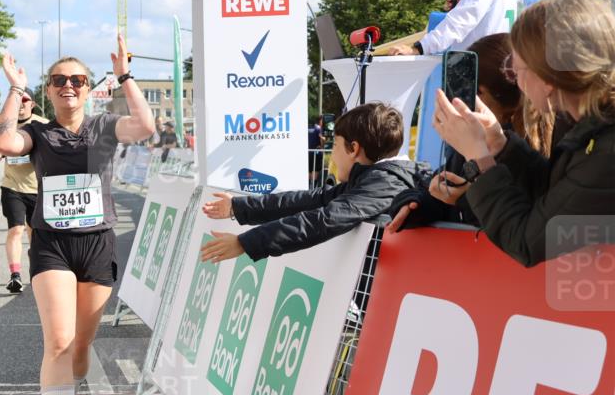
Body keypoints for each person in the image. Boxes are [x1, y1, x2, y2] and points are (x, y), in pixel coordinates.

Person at [0, 35, 156, 395]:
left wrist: (125, 75)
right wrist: (13, 88)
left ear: (88, 88)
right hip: (52, 245)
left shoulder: (104, 126)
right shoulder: (39, 133)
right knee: (59, 340)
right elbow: (5, 144)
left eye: (78, 79)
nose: (69, 85)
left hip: (97, 243)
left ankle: (70, 389)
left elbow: (145, 127)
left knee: (82, 345)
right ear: (48, 90)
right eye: (59, 80)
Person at [427, 0, 615, 266]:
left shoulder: (607, 151)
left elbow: (527, 241)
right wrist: (500, 144)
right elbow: (555, 197)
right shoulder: (587, 125)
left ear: (547, 78)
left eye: (518, 70)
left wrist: (481, 159)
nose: (517, 82)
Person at [200, 103, 430, 262]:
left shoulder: (385, 182)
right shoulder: (376, 178)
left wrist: (245, 243)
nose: (332, 154)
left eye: (335, 146)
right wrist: (240, 207)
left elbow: (324, 220)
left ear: (354, 149)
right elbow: (310, 200)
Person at [387, 32, 527, 230]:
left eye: (470, 91)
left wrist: (467, 199)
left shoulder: (534, 153)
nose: (458, 101)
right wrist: (417, 204)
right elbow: (435, 191)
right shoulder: (465, 149)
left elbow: (522, 228)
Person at [389, 0, 522, 56]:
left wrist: (419, 48)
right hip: (503, 64)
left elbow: (460, 22)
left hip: (480, 71)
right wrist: (461, 6)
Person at [0, 90, 48, 294]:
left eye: (25, 100)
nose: (22, 104)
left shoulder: (43, 124)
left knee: (35, 233)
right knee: (16, 230)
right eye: (19, 100)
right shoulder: (6, 123)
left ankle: (36, 268)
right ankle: (15, 276)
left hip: (37, 187)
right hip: (12, 185)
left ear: (32, 104)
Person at [308, 115, 325, 186]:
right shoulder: (319, 129)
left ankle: (308, 186)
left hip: (308, 152)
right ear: (320, 121)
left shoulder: (308, 128)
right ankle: (314, 187)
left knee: (309, 169)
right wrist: (322, 144)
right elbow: (323, 140)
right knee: (315, 170)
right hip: (317, 152)